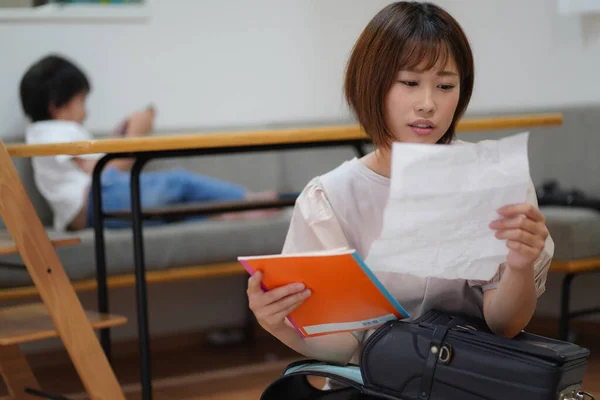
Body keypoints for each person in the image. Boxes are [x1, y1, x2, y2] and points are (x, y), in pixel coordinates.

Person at [246, 0, 555, 372]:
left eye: (445, 85)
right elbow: (347, 345)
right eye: (409, 83)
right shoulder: (329, 199)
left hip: (469, 380)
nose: (428, 104)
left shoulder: (493, 181)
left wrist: (520, 268)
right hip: (376, 383)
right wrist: (278, 324)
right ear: (371, 85)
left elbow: (504, 325)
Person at [19, 54, 277, 232]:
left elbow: (91, 167)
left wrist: (118, 139)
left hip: (92, 206)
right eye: (81, 102)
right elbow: (102, 172)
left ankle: (230, 209)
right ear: (55, 105)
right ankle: (250, 200)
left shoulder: (48, 133)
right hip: (94, 203)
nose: (85, 112)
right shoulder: (52, 131)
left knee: (174, 211)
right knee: (179, 181)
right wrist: (134, 138)